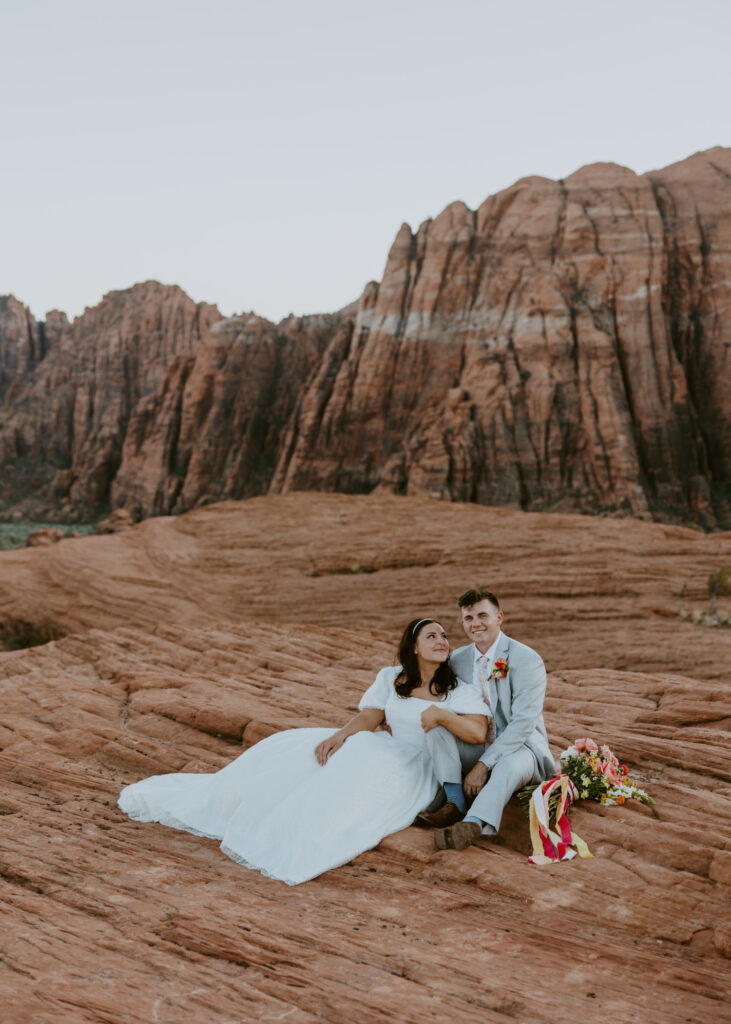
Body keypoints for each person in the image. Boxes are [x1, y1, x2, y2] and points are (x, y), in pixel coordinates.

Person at [118, 617, 488, 885]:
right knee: (296, 752)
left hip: (417, 762)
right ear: (414, 646)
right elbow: (373, 715)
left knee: (357, 783)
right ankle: (244, 809)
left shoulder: (456, 688)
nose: (442, 640)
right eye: (432, 635)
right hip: (382, 743)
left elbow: (476, 731)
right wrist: (341, 734)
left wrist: (442, 716)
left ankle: (294, 833)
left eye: (444, 636)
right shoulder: (390, 677)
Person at [417, 588, 555, 851]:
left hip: (521, 747)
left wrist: (482, 765)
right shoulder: (458, 659)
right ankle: (454, 803)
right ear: (462, 623)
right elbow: (431, 690)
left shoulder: (526, 659)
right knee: (438, 728)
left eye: (483, 615)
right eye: (469, 618)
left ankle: (472, 824)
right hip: (477, 741)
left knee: (508, 767)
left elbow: (523, 725)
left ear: (499, 617)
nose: (476, 623)